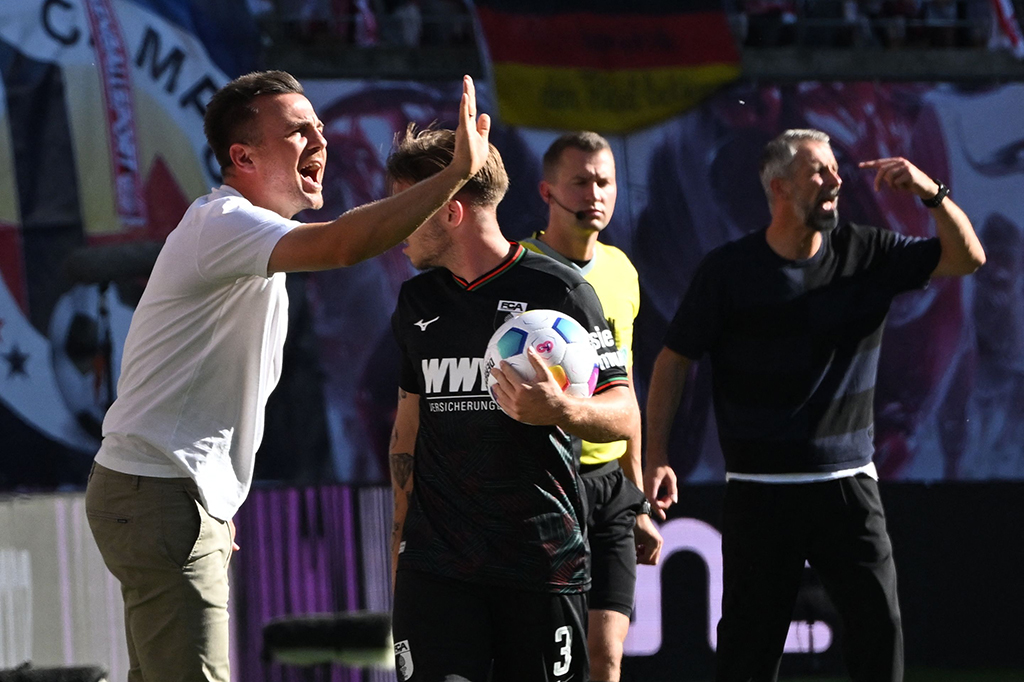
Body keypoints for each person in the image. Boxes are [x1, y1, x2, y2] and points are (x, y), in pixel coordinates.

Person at [84, 70, 491, 682]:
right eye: (299, 131)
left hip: (167, 494)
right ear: (243, 157)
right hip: (162, 494)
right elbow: (345, 245)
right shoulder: (222, 223)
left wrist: (213, 503)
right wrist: (456, 172)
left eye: (320, 127)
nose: (320, 141)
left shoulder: (243, 236)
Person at [644, 129, 985, 682]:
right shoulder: (728, 270)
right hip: (760, 492)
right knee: (748, 650)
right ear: (779, 187)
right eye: (819, 171)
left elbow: (967, 259)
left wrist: (932, 193)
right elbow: (673, 360)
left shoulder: (867, 251)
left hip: (847, 487)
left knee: (879, 632)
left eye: (835, 168)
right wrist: (656, 453)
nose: (835, 180)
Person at [386, 126, 640, 682]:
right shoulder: (416, 301)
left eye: (405, 207)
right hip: (437, 568)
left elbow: (624, 414)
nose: (392, 224)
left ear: (450, 210)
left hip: (540, 564)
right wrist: (399, 559)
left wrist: (564, 411)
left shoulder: (560, 291)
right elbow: (406, 435)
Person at [520, 131, 663, 682]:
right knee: (550, 659)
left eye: (604, 181)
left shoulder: (622, 270)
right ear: (547, 191)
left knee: (607, 657)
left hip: (609, 486)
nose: (594, 193)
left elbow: (626, 389)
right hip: (545, 485)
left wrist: (637, 498)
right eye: (580, 181)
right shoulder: (519, 267)